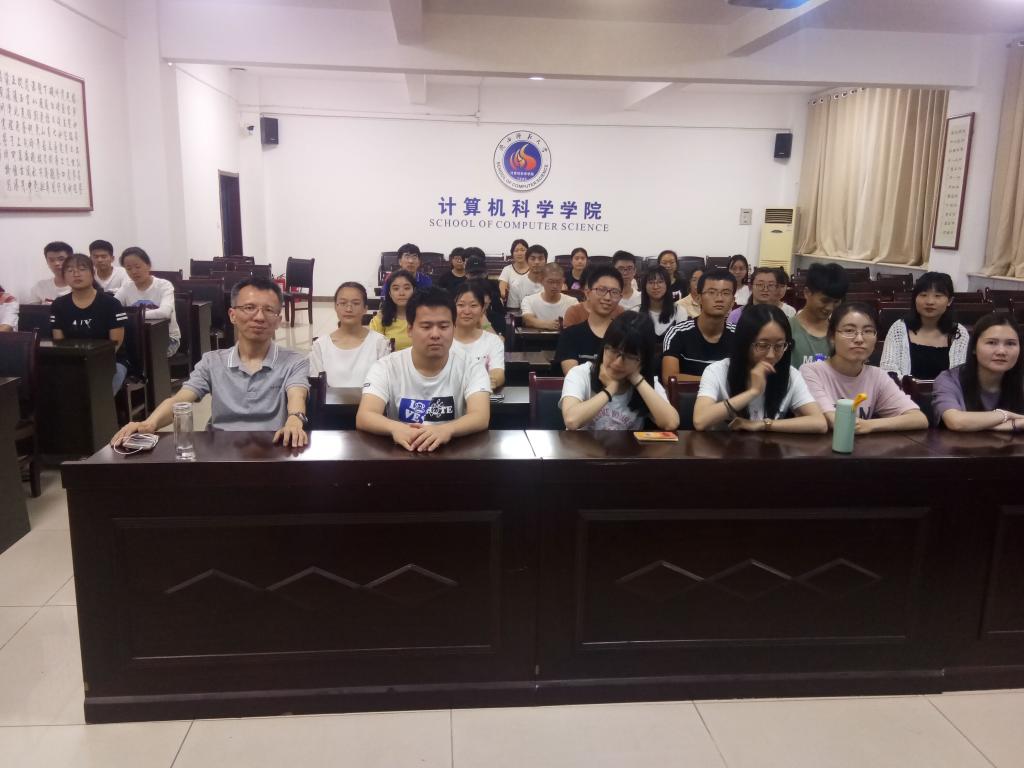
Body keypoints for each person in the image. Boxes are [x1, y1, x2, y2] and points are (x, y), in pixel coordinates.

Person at [111, 276, 309, 446]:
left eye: (269, 310)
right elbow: (180, 400)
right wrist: (149, 424)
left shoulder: (294, 361)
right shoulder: (212, 361)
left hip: (273, 446)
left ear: (278, 320)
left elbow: (297, 396)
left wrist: (294, 419)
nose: (259, 317)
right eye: (249, 308)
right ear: (232, 315)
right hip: (221, 450)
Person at [357, 287, 490, 452]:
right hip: (401, 454)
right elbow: (365, 415)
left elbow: (480, 416)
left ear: (454, 328)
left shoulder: (471, 366)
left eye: (443, 326)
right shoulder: (386, 366)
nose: (435, 334)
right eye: (426, 327)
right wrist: (396, 428)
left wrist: (446, 430)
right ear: (410, 330)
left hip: (452, 455)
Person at [693, 304, 827, 433]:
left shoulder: (791, 375)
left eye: (779, 345)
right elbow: (700, 421)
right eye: (762, 345)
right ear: (744, 343)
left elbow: (819, 423)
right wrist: (752, 392)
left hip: (770, 447)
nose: (771, 355)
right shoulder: (716, 371)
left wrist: (763, 425)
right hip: (723, 447)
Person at [800, 303, 929, 433]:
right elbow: (834, 420)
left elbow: (919, 419)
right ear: (832, 336)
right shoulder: (811, 372)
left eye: (868, 331)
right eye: (849, 331)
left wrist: (869, 425)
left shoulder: (877, 376)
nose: (859, 339)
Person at [560, 311, 679, 431]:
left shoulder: (646, 381)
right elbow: (571, 421)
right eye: (613, 351)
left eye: (629, 356)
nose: (617, 362)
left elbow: (671, 423)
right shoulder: (581, 374)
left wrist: (636, 379)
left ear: (643, 360)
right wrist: (610, 389)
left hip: (629, 444)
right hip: (582, 444)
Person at [49, 253, 129, 394]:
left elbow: (115, 344)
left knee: (99, 389)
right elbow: (59, 342)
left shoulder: (111, 303)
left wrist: (91, 364)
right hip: (73, 362)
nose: (76, 274)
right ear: (64, 276)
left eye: (82, 269)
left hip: (110, 361)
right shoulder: (59, 305)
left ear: (93, 273)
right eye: (70, 270)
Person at [933, 313, 1024, 432]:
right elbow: (956, 421)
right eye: (991, 343)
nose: (1001, 351)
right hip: (961, 444)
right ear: (974, 348)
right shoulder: (949, 379)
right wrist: (1007, 417)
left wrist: (980, 425)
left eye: (1010, 343)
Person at [880, 271, 969, 380]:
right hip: (902, 390)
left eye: (937, 296)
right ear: (915, 298)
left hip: (947, 391)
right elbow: (888, 369)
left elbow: (961, 375)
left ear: (950, 301)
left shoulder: (959, 333)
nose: (930, 301)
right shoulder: (899, 329)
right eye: (923, 295)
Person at [309, 282, 390, 387]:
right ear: (335, 307)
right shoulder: (320, 346)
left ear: (365, 308)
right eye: (343, 303)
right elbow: (316, 387)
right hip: (329, 398)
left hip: (371, 397)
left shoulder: (380, 343)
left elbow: (384, 384)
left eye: (356, 303)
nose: (349, 309)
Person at [662, 269, 737, 382]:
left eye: (726, 293)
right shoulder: (677, 333)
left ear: (732, 301)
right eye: (711, 292)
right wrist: (714, 383)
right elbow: (669, 378)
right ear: (699, 298)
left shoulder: (739, 335)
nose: (719, 299)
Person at [553, 267, 624, 375]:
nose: (607, 297)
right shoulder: (570, 335)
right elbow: (573, 378)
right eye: (601, 290)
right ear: (587, 293)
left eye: (614, 292)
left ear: (620, 297)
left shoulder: (626, 337)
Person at [114, 246, 181, 357]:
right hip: (135, 337)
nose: (134, 271)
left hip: (167, 338)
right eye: (128, 269)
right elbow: (111, 309)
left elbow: (165, 312)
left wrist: (132, 316)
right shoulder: (126, 287)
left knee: (142, 355)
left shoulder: (164, 285)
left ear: (148, 265)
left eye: (137, 267)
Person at [790, 262, 849, 366]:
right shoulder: (788, 329)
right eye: (824, 301)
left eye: (836, 302)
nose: (830, 307)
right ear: (807, 293)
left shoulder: (839, 332)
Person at [452, 282, 505, 390]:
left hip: (482, 392)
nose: (467, 311)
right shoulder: (441, 339)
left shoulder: (493, 341)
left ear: (482, 309)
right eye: (461, 305)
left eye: (473, 305)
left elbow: (498, 373)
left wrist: (488, 383)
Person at [369, 269, 416, 351]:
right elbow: (373, 348)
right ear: (390, 294)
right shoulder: (381, 318)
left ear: (414, 291)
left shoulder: (423, 316)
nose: (401, 293)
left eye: (407, 288)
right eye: (396, 289)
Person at [521, 263, 577, 330]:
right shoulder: (529, 300)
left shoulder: (572, 302)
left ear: (563, 281)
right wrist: (546, 324)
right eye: (550, 282)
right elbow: (527, 319)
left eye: (558, 282)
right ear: (541, 281)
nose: (555, 286)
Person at [640, 266, 687, 342]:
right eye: (651, 282)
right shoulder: (635, 312)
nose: (655, 287)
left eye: (660, 282)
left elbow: (683, 343)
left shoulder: (679, 311)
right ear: (644, 286)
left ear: (667, 285)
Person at [507, 244, 548, 309]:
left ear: (546, 261)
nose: (536, 262)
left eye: (540, 258)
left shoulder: (553, 284)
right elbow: (513, 311)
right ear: (526, 261)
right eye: (533, 259)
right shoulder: (516, 285)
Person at [498, 238, 530, 303]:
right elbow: (502, 288)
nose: (519, 253)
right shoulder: (507, 269)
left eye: (522, 250)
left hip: (531, 307)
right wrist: (503, 293)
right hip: (512, 307)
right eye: (516, 250)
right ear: (512, 253)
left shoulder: (534, 269)